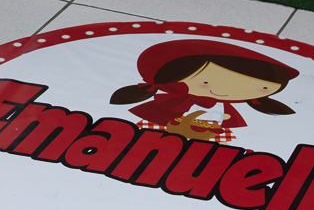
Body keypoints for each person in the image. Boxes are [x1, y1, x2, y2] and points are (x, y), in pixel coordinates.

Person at [111, 40, 298, 143]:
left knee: (212, 147)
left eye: (262, 88)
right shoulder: (172, 101)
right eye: (207, 81)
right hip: (160, 131)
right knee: (146, 137)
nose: (222, 90)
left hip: (207, 136)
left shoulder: (222, 111)